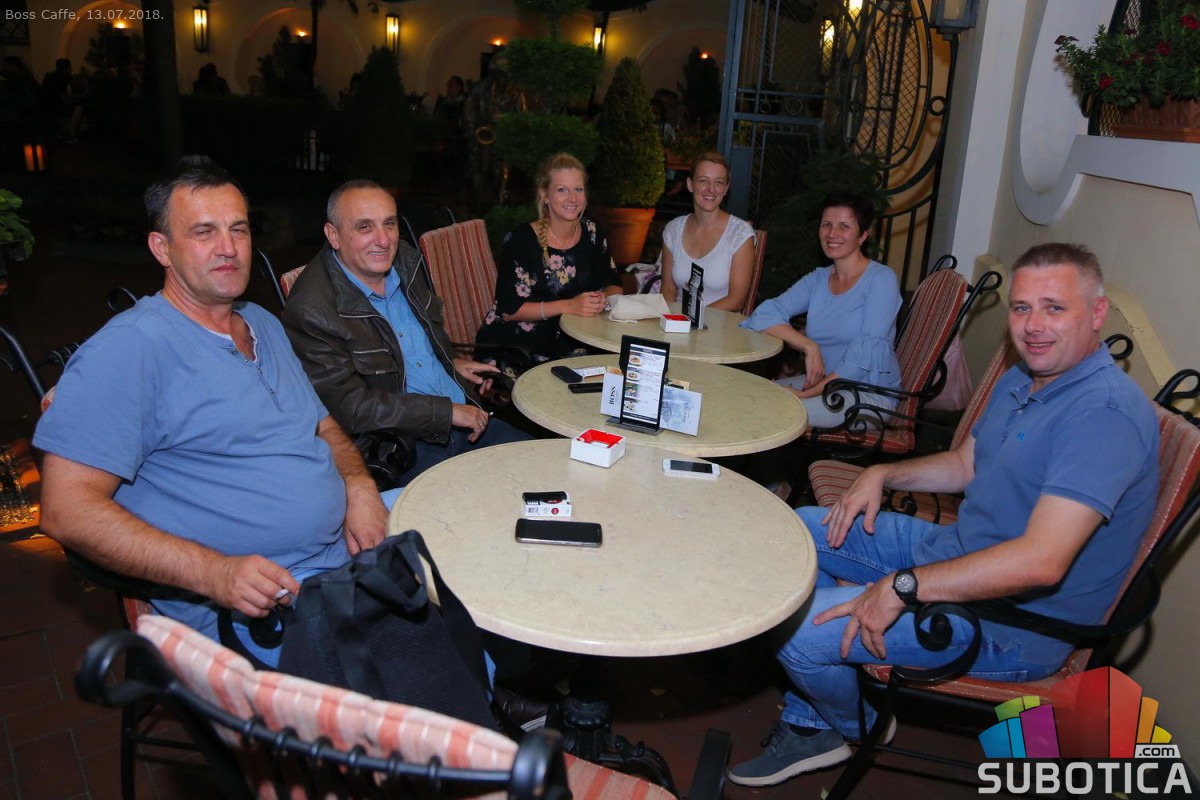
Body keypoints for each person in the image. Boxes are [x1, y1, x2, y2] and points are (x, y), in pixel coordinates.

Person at [728, 242, 1160, 787]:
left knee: (795, 629)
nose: (1033, 325)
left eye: (1055, 307)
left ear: (1096, 314)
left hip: (1012, 624)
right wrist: (882, 474)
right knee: (795, 530)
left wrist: (903, 586)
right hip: (955, 554)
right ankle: (821, 709)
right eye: (1022, 308)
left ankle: (851, 726)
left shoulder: (1103, 415)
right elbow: (964, 465)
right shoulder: (1025, 375)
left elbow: (1042, 561)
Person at [33, 157, 390, 665]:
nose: (228, 247)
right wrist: (214, 572)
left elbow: (323, 425)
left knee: (472, 573)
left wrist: (358, 486)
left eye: (238, 229)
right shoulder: (131, 349)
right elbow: (66, 510)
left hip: (342, 557)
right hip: (257, 607)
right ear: (162, 248)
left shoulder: (262, 322)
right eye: (204, 232)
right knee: (424, 667)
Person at [282, 180, 528, 487]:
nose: (384, 240)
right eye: (365, 227)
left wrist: (449, 362)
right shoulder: (311, 311)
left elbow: (419, 335)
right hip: (405, 448)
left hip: (468, 417)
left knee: (551, 469)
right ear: (334, 235)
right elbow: (350, 408)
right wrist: (444, 413)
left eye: (389, 223)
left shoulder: (404, 261)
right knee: (495, 502)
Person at [740, 191, 901, 429]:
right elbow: (764, 314)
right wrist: (808, 345)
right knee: (748, 396)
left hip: (867, 396)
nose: (832, 234)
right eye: (827, 224)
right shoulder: (818, 279)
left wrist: (806, 395)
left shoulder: (881, 280)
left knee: (775, 410)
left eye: (844, 226)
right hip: (826, 384)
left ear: (862, 235)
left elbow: (859, 362)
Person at [475, 152, 624, 362]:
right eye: (562, 189)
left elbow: (614, 285)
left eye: (578, 189)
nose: (572, 198)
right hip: (517, 347)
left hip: (574, 340)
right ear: (544, 194)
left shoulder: (592, 233)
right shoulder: (521, 241)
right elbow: (509, 310)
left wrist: (599, 300)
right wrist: (569, 306)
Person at [659, 151, 756, 312]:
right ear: (690, 184)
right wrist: (673, 321)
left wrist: (692, 318)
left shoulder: (740, 234)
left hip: (721, 324)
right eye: (703, 180)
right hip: (678, 321)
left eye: (719, 182)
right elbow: (668, 289)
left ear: (726, 188)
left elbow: (737, 300)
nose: (711, 189)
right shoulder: (673, 230)